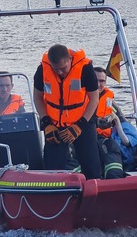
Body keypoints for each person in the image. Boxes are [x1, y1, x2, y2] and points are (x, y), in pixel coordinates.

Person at [33, 44, 102, 179]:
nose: (59, 72)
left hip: (82, 121)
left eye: (63, 68)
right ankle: (54, 196)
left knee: (91, 166)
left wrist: (80, 125)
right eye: (56, 69)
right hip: (54, 124)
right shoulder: (43, 69)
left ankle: (93, 194)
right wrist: (46, 123)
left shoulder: (85, 69)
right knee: (52, 170)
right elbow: (37, 97)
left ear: (70, 59)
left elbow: (94, 98)